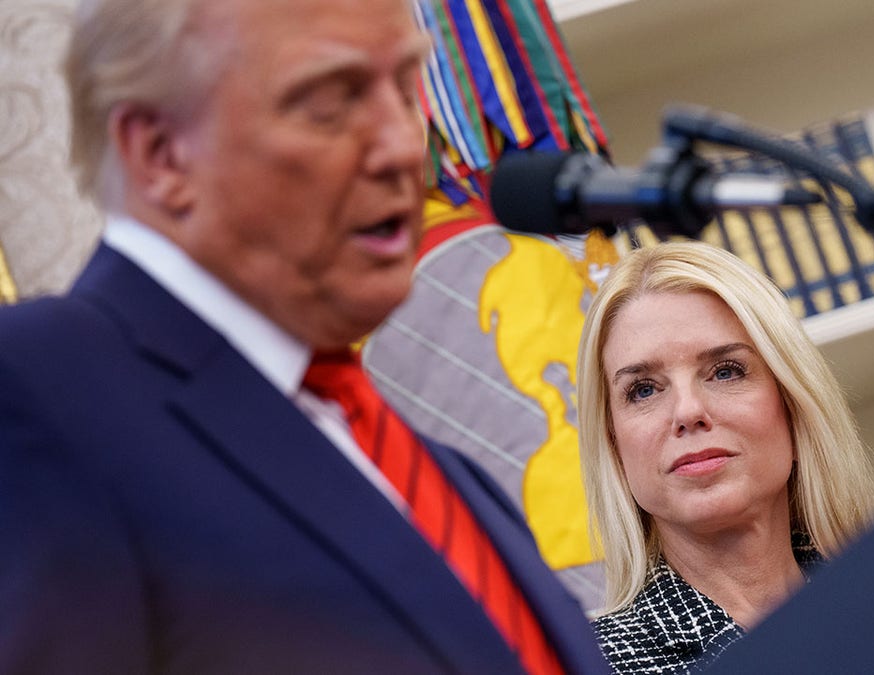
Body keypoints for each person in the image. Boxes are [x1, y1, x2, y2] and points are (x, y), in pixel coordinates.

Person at [0, 0, 608, 672]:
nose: (406, 145)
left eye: (407, 91)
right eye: (330, 101)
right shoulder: (36, 387)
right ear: (161, 154)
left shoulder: (441, 470)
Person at [578, 242, 874, 673]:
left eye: (725, 371)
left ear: (793, 403)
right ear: (614, 444)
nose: (687, 412)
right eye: (643, 389)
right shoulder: (587, 666)